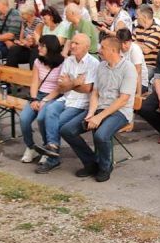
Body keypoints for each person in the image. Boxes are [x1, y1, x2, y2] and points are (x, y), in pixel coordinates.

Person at [58, 36, 135, 183]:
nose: (99, 50)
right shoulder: (101, 66)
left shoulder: (128, 68)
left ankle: (105, 167)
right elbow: (95, 93)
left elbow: (123, 100)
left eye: (103, 48)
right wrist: (91, 113)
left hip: (120, 112)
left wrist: (99, 117)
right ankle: (91, 163)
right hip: (99, 109)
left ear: (113, 50)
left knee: (101, 135)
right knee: (67, 130)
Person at [32, 33, 98, 173]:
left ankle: (52, 156)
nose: (72, 46)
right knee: (48, 111)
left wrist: (70, 83)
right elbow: (61, 86)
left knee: (58, 122)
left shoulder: (93, 63)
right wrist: (76, 82)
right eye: (72, 42)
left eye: (76, 43)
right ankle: (52, 147)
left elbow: (87, 89)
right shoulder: (68, 61)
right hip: (66, 98)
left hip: (81, 103)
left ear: (86, 47)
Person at [18, 35, 65, 163]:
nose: (38, 48)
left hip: (53, 96)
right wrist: (33, 99)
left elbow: (60, 88)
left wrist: (44, 101)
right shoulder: (38, 61)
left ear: (50, 47)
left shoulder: (63, 64)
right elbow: (34, 82)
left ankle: (47, 148)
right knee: (23, 119)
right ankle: (30, 147)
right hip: (38, 95)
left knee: (41, 118)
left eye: (42, 46)